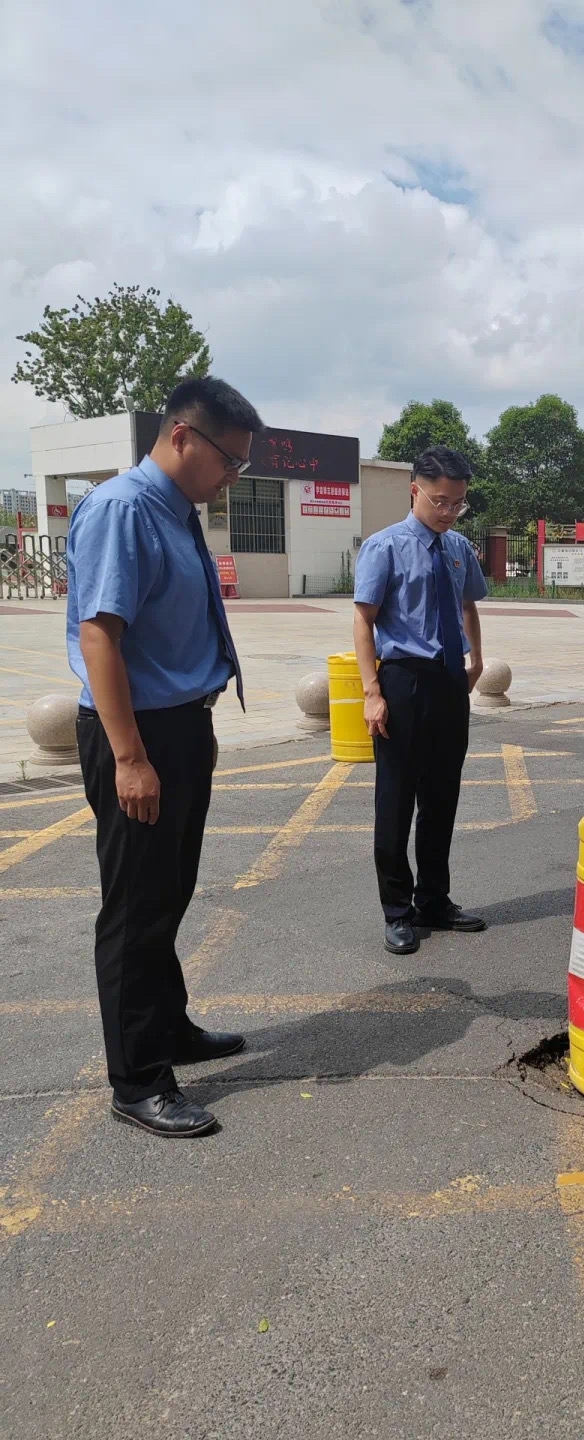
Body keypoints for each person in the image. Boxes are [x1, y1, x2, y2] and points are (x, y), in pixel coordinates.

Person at [67, 376, 262, 1137]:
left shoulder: (177, 511)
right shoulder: (122, 508)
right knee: (134, 911)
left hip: (179, 728)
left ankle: (169, 1027)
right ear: (182, 435)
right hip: (137, 735)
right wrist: (129, 758)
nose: (232, 477)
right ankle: (138, 1079)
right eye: (229, 460)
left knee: (169, 893)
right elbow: (99, 637)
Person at [353, 444, 488, 956]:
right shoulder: (384, 547)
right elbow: (363, 620)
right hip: (403, 682)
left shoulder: (458, 548)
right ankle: (397, 910)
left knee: (442, 796)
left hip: (449, 680)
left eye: (458, 503)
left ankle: (434, 899)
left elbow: (468, 603)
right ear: (415, 490)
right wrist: (372, 692)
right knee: (396, 799)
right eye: (440, 501)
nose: (449, 511)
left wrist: (476, 659)